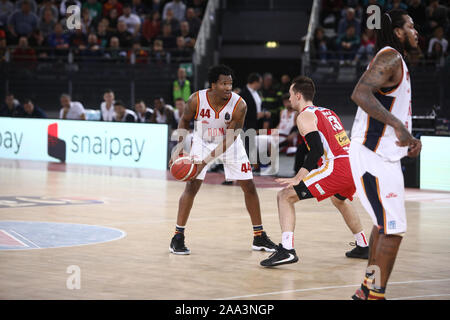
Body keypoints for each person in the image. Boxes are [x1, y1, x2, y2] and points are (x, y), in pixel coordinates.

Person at [349, 9, 421, 300]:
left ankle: (368, 289)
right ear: (400, 32)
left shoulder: (396, 60)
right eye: (411, 27)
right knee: (393, 228)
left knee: (384, 225)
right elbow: (360, 94)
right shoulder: (389, 56)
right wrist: (398, 127)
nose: (417, 32)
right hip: (372, 154)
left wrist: (407, 135)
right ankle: (376, 295)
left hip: (383, 155)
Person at [260, 76, 369, 268]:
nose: (290, 99)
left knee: (285, 196)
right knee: (339, 199)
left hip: (338, 167)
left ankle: (287, 250)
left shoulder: (304, 115)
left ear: (298, 95)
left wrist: (298, 177)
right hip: (353, 164)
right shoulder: (328, 112)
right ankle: (362, 245)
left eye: (291, 95)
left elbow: (317, 150)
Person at [169, 64, 277, 255]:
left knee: (249, 186)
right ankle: (178, 237)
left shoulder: (240, 104)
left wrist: (205, 162)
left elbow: (230, 139)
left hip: (229, 143)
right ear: (213, 85)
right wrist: (177, 149)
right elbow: (184, 121)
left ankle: (259, 236)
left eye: (230, 83)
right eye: (223, 83)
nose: (228, 87)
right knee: (192, 186)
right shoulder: (196, 99)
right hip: (202, 140)